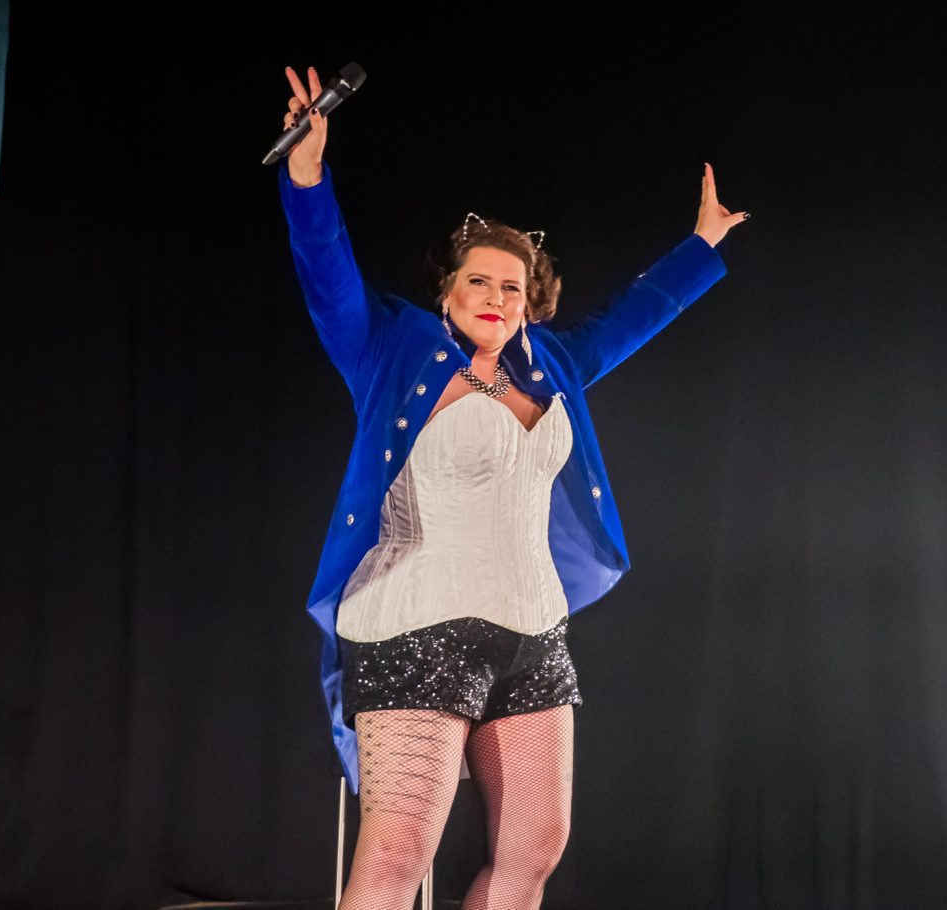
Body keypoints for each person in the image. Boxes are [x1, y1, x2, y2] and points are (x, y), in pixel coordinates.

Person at [277, 64, 747, 910]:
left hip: (533, 631)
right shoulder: (392, 350)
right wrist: (308, 175)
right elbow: (327, 273)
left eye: (512, 287)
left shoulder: (551, 366)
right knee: (398, 854)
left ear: (530, 301)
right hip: (415, 625)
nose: (495, 298)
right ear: (446, 291)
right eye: (478, 282)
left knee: (533, 851)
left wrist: (702, 244)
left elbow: (629, 319)